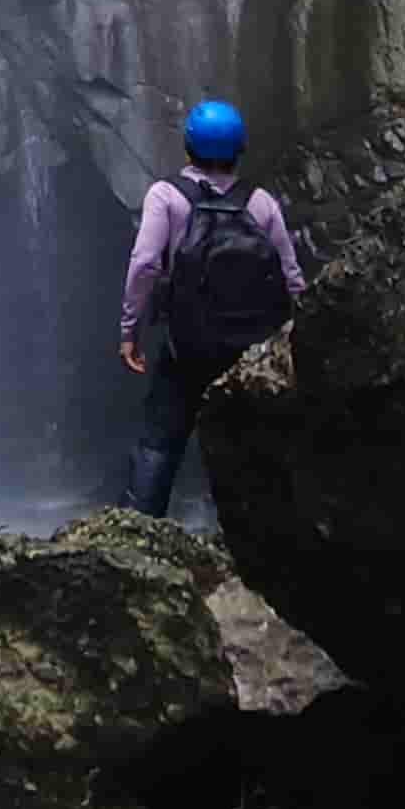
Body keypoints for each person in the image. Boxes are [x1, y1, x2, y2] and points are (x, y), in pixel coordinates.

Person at [120, 96, 302, 517]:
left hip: (188, 347)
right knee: (259, 450)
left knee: (159, 444)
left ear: (187, 148)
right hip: (250, 351)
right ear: (240, 150)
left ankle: (135, 534)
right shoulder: (260, 203)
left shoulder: (166, 197)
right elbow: (293, 279)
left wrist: (130, 330)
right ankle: (267, 543)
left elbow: (144, 265)